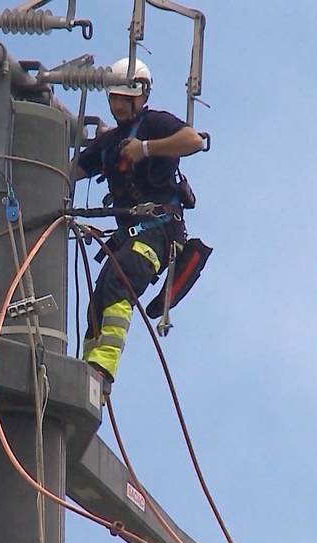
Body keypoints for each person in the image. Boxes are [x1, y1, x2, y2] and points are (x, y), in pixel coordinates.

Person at [73, 57, 205, 384]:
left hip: (161, 232)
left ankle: (102, 368)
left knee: (122, 280)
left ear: (140, 96)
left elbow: (193, 141)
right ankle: (83, 373)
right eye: (113, 98)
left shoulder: (154, 124)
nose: (117, 105)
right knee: (100, 297)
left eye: (123, 98)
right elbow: (70, 173)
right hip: (131, 234)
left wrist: (145, 149)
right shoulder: (108, 145)